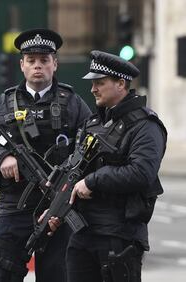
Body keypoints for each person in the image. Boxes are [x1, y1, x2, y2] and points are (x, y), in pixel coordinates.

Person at [0, 28, 92, 282]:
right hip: (15, 205)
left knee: (57, 276)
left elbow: (90, 146)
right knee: (5, 275)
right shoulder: (2, 104)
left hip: (58, 207)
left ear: (54, 64)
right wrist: (1, 157)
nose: (38, 66)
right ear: (21, 65)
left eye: (44, 60)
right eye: (31, 60)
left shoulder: (73, 103)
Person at [58, 50, 167, 282]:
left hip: (119, 234)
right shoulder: (93, 123)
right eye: (93, 83)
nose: (93, 89)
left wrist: (92, 181)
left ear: (121, 84)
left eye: (100, 83)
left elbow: (141, 172)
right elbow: (75, 168)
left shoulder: (146, 126)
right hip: (83, 233)